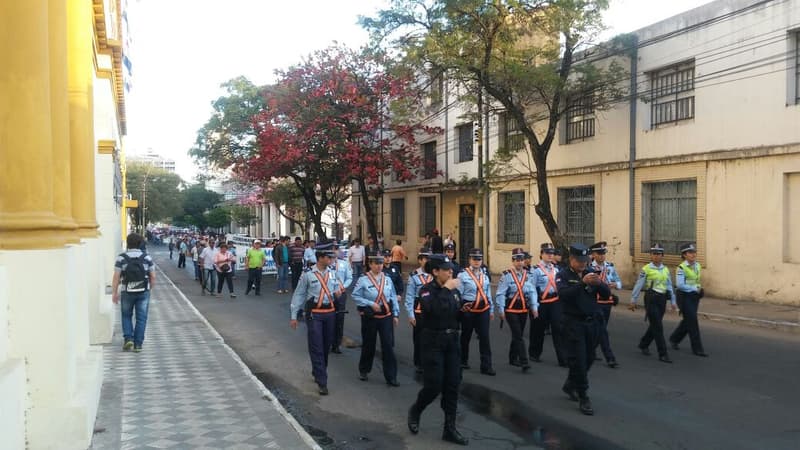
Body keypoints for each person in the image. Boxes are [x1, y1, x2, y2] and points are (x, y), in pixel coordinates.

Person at [407, 254, 468, 446]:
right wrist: (446, 290)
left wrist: (463, 312)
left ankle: (449, 428)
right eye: (446, 269)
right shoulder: (426, 291)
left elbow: (454, 312)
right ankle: (416, 409)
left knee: (452, 385)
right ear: (435, 272)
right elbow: (433, 310)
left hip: (452, 341)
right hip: (433, 341)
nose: (451, 272)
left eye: (451, 269)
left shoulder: (454, 291)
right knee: (434, 385)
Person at [556, 243, 609, 416]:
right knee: (579, 359)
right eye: (579, 261)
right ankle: (583, 395)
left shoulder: (589, 273)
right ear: (571, 259)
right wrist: (581, 283)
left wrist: (599, 283)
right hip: (573, 323)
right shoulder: (563, 275)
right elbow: (564, 295)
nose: (583, 264)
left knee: (590, 358)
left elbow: (606, 294)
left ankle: (571, 384)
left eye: (585, 261)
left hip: (591, 323)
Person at [289, 241, 340, 395]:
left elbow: (337, 286)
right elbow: (299, 294)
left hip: (330, 313)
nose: (331, 260)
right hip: (314, 314)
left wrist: (337, 291)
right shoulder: (307, 275)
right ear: (320, 257)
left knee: (325, 346)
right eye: (328, 257)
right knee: (316, 346)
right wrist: (293, 315)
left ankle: (318, 369)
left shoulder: (333, 273)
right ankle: (322, 380)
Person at [352, 255, 401, 385]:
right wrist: (369, 303)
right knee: (369, 344)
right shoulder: (363, 280)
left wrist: (395, 314)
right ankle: (364, 370)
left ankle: (391, 376)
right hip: (370, 318)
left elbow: (393, 297)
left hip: (386, 317)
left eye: (381, 263)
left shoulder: (387, 279)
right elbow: (355, 295)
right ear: (370, 264)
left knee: (388, 346)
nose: (379, 266)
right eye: (376, 263)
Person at [630, 243, 677, 363]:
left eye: (659, 254)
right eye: (654, 254)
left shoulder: (665, 269)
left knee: (655, 325)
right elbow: (639, 284)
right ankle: (663, 353)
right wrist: (633, 299)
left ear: (662, 256)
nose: (656, 256)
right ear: (650, 256)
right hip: (651, 299)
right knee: (658, 327)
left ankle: (644, 344)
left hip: (661, 299)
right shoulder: (646, 269)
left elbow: (669, 285)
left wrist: (673, 300)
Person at [111, 233, 156, 353]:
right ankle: (138, 344)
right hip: (143, 291)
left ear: (128, 243)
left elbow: (116, 277)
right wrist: (149, 288)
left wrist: (114, 293)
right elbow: (153, 276)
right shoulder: (147, 258)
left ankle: (128, 339)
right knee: (141, 318)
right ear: (140, 243)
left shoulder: (121, 258)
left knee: (126, 315)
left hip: (127, 291)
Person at [496, 248, 538, 372]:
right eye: (517, 260)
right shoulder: (507, 275)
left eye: (521, 260)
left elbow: (532, 292)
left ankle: (512, 358)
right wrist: (501, 310)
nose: (519, 262)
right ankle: (524, 361)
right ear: (512, 261)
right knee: (518, 334)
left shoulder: (528, 275)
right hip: (511, 308)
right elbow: (500, 293)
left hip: (523, 308)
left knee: (517, 334)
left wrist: (534, 307)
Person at [457, 248, 496, 375]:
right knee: (466, 336)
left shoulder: (485, 275)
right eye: (474, 259)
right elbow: (458, 294)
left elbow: (487, 293)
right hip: (469, 309)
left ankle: (486, 366)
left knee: (485, 337)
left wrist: (491, 309)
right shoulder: (462, 275)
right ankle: (463, 360)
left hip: (483, 309)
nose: (477, 262)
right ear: (469, 260)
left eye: (479, 259)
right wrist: (461, 306)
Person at [529, 243, 566, 366]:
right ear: (541, 254)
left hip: (555, 302)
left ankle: (562, 358)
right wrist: (534, 306)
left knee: (558, 329)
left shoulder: (556, 269)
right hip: (541, 302)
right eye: (547, 253)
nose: (550, 255)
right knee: (538, 330)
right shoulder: (535, 270)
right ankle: (534, 353)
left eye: (552, 253)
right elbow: (531, 288)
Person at [669, 243, 708, 357]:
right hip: (684, 296)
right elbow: (680, 285)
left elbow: (696, 280)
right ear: (684, 255)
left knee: (688, 320)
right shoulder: (681, 268)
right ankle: (698, 348)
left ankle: (674, 339)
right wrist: (694, 288)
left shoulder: (697, 265)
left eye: (694, 252)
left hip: (694, 296)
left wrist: (699, 289)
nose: (693, 254)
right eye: (690, 252)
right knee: (693, 321)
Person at [590, 241, 622, 368]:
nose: (602, 256)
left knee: (599, 330)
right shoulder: (589, 267)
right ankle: (610, 357)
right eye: (599, 253)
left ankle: (590, 350)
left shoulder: (610, 267)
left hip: (607, 301)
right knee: (602, 330)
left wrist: (615, 285)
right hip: (595, 302)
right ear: (593, 254)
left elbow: (619, 282)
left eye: (604, 253)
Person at [405, 248, 432, 374]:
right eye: (425, 259)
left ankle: (430, 361)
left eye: (429, 259)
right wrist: (411, 315)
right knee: (419, 337)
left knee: (432, 337)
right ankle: (419, 362)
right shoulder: (414, 276)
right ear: (420, 260)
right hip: (419, 309)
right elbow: (409, 297)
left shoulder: (435, 274)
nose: (427, 261)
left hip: (432, 310)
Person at [330, 242, 353, 354]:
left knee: (339, 319)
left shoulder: (344, 264)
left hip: (341, 294)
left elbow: (349, 278)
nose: (335, 251)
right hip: (328, 294)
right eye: (333, 249)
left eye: (336, 249)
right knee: (328, 319)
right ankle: (327, 342)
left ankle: (336, 344)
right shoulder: (325, 264)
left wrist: (343, 286)